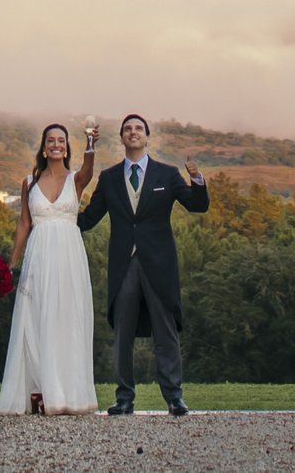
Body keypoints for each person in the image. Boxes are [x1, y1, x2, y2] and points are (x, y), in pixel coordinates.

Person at [77, 113, 208, 415]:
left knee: (166, 331)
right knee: (123, 333)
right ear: (122, 138)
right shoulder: (109, 179)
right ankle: (124, 398)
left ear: (147, 137)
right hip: (124, 264)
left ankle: (174, 397)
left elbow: (197, 205)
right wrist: (56, 217)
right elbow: (88, 218)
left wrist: (197, 179)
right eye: (127, 129)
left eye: (138, 128)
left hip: (159, 264)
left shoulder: (167, 174)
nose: (133, 132)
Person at [0, 122, 99, 415]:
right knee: (36, 317)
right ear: (43, 147)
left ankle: (68, 391)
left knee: (67, 318)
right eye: (51, 140)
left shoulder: (75, 179)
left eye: (61, 141)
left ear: (67, 147)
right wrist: (12, 263)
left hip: (68, 256)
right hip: (39, 254)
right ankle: (38, 389)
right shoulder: (29, 181)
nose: (56, 144)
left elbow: (89, 171)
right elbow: (24, 223)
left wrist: (90, 143)